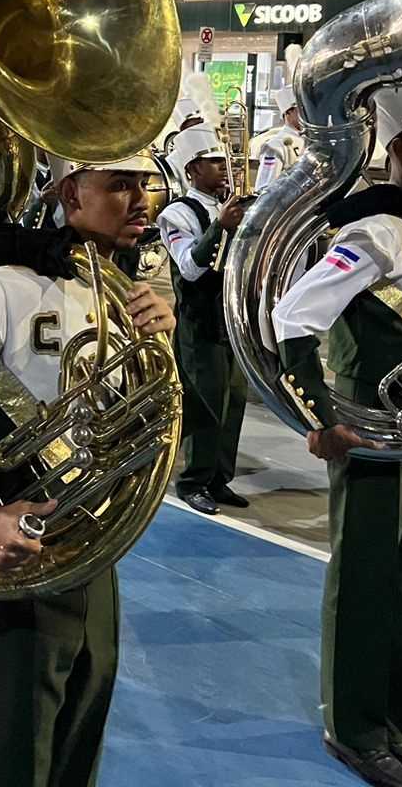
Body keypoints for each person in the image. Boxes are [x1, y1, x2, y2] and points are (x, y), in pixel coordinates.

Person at [0, 151, 175, 787]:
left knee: (83, 720)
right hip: (17, 548)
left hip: (99, 541)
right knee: (10, 746)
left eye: (144, 185)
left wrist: (163, 339)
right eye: (119, 185)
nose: (141, 200)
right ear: (71, 194)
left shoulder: (129, 295)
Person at [271, 87, 402, 787]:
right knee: (365, 582)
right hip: (371, 433)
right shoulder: (371, 231)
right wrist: (319, 416)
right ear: (400, 148)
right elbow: (294, 319)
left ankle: (394, 726)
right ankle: (354, 730)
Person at [156, 127, 249, 515]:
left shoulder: (229, 204)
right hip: (199, 321)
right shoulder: (176, 213)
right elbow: (191, 269)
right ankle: (193, 481)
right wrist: (220, 227)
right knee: (206, 402)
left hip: (232, 318)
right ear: (193, 169)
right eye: (214, 162)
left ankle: (218, 478)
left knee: (234, 403)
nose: (223, 168)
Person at [254, 85, 305, 191]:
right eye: (301, 108)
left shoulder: (311, 140)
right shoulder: (275, 146)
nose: (307, 113)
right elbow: (264, 188)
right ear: (288, 112)